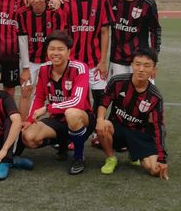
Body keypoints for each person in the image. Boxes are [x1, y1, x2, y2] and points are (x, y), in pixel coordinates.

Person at [20, 30, 116, 175]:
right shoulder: (44, 69)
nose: (55, 53)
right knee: (29, 137)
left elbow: (77, 102)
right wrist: (29, 120)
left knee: (71, 113)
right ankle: (63, 142)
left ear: (68, 52)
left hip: (82, 118)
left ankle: (78, 157)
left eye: (60, 49)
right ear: (47, 51)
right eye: (52, 49)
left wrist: (48, 108)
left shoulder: (80, 68)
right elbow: (39, 97)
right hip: (57, 119)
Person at [97, 48, 168, 179]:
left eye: (146, 66)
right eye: (137, 64)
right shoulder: (117, 81)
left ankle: (134, 153)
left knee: (155, 170)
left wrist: (162, 158)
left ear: (153, 70)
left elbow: (159, 126)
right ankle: (111, 158)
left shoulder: (155, 96)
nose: (141, 69)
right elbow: (104, 102)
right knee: (103, 125)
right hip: (117, 129)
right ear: (132, 65)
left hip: (139, 134)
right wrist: (100, 120)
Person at [61, 0, 115, 108]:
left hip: (95, 63)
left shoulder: (102, 1)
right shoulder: (67, 1)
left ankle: (97, 123)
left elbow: (105, 33)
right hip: (73, 62)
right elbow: (63, 34)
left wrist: (103, 61)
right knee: (76, 101)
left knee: (100, 99)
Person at [17, 0, 69, 119]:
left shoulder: (56, 13)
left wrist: (58, 65)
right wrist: (25, 68)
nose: (36, 0)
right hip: (30, 62)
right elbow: (22, 41)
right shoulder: (22, 13)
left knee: (58, 94)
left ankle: (57, 125)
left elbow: (60, 42)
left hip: (51, 61)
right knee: (26, 91)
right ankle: (24, 126)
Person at [104, 0, 162, 78]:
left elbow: (155, 31)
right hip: (117, 60)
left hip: (141, 60)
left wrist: (153, 61)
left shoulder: (147, 2)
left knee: (142, 90)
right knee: (117, 89)